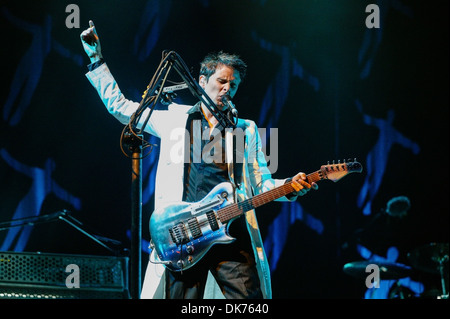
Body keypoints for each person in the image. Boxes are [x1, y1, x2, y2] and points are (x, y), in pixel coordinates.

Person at [80, 20, 318, 299]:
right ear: (202, 81)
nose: (228, 87)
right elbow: (121, 108)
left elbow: (260, 184)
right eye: (222, 80)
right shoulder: (175, 119)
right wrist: (96, 60)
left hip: (230, 232)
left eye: (234, 83)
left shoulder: (246, 129)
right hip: (185, 234)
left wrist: (290, 186)